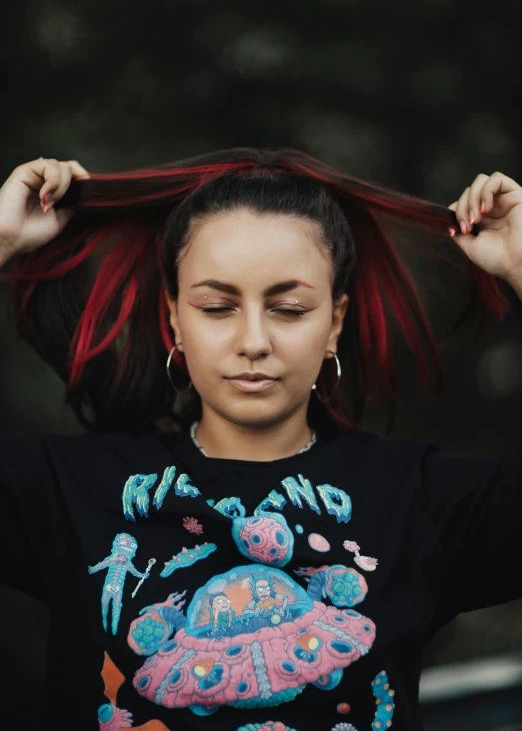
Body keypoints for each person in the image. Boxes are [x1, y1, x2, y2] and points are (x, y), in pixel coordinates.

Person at [0, 150, 520, 731]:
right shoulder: (68, 489)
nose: (253, 340)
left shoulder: (416, 497)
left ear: (335, 323)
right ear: (173, 318)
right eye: (217, 306)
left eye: (289, 309)